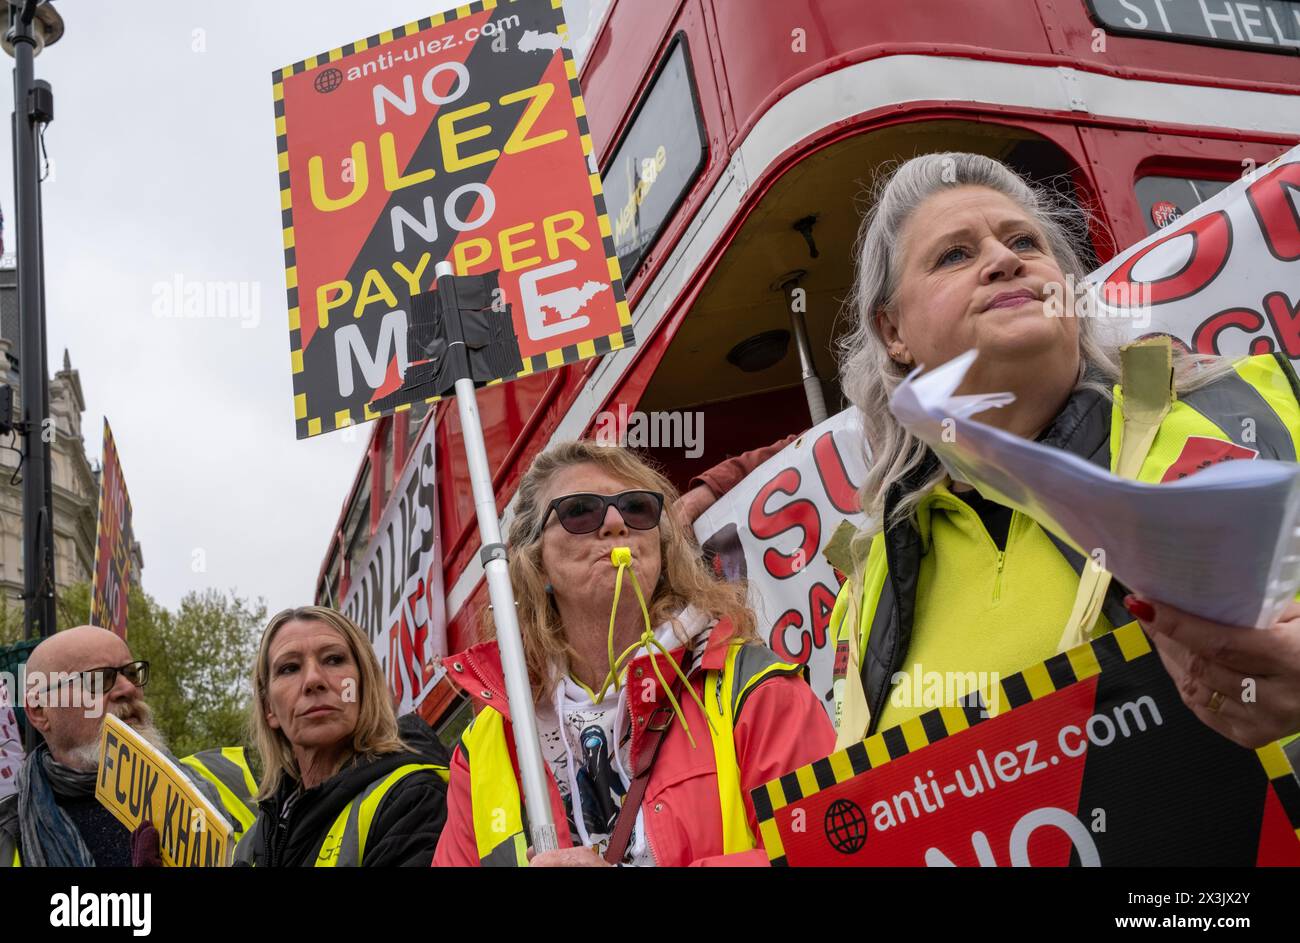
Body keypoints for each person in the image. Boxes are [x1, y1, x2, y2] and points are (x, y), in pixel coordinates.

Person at [827, 151, 1300, 751]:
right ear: (893, 331)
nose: (1003, 260)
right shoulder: (869, 581)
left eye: (1024, 242)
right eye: (955, 254)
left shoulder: (1255, 406)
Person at [432, 440, 835, 867]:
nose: (614, 522)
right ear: (536, 563)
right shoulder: (485, 747)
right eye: (580, 511)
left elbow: (831, 851)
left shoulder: (751, 686)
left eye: (638, 508)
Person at [234, 606, 450, 867]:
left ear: (364, 684)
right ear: (269, 708)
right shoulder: (249, 846)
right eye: (290, 668)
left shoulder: (413, 798)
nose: (313, 680)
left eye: (334, 660)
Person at [0, 625, 226, 867]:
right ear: (40, 711)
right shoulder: (8, 833)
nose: (128, 689)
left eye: (131, 674)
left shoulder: (216, 782)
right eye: (98, 679)